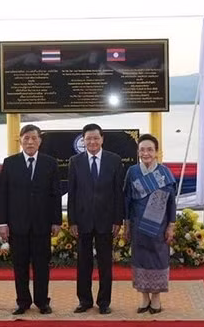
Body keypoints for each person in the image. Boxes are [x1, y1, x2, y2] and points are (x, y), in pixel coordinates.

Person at [0, 124, 62, 315]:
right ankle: (22, 302)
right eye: (26, 138)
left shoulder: (50, 163)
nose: (30, 142)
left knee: (42, 265)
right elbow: (3, 195)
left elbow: (55, 194)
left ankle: (42, 302)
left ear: (40, 141)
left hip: (42, 224)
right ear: (21, 141)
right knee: (20, 265)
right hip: (18, 225)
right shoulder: (10, 163)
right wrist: (3, 222)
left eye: (34, 138)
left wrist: (56, 221)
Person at [67, 123, 125, 314]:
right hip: (82, 221)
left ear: (102, 139)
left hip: (106, 221)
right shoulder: (75, 161)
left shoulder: (114, 160)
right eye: (88, 138)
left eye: (95, 138)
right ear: (83, 141)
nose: (92, 141)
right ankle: (84, 301)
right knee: (83, 264)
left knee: (105, 264)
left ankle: (104, 302)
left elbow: (119, 193)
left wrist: (118, 220)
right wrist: (72, 221)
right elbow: (72, 193)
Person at [123, 133, 177, 315]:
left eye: (150, 150)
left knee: (158, 259)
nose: (146, 153)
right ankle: (144, 297)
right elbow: (127, 200)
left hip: (159, 226)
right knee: (140, 259)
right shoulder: (132, 172)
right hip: (138, 225)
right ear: (138, 152)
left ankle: (156, 298)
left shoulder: (165, 173)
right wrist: (126, 224)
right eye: (142, 150)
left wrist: (171, 225)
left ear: (157, 152)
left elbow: (171, 202)